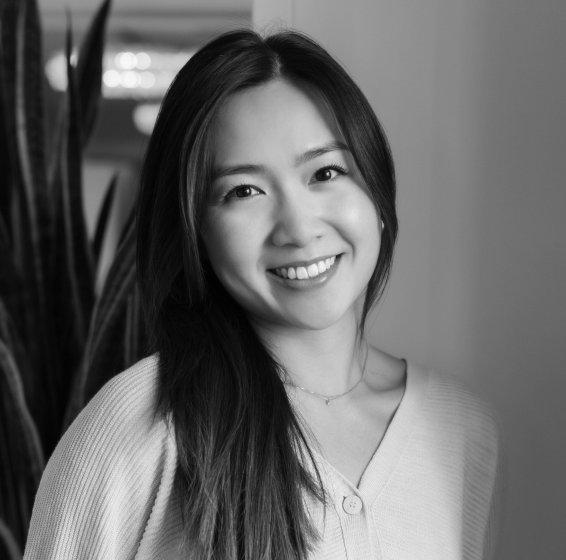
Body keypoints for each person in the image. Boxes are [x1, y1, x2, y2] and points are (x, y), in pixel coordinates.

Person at [24, 29, 500, 559]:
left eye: (326, 172)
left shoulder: (461, 429)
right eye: (244, 191)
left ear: (377, 195)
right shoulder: (139, 423)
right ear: (197, 234)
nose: (298, 229)